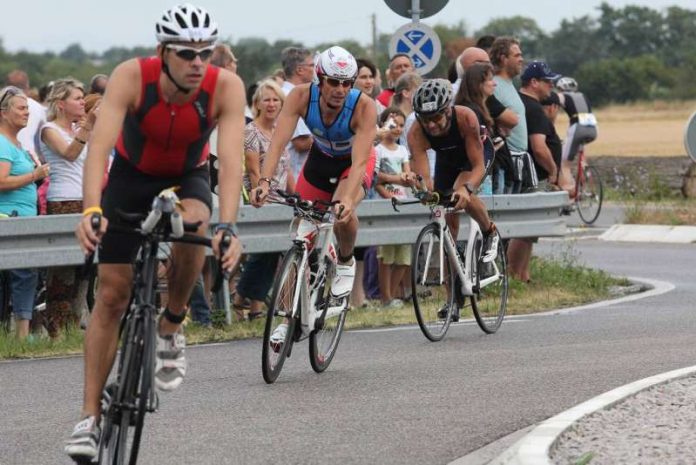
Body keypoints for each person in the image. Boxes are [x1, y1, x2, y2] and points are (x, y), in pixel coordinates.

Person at [66, 4, 245, 462]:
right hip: (131, 176)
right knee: (111, 294)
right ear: (162, 52)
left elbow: (230, 161)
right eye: (187, 53)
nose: (197, 62)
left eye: (205, 52)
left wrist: (229, 225)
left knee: (196, 223)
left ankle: (172, 323)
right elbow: (100, 147)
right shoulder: (132, 75)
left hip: (188, 174)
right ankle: (89, 416)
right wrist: (90, 209)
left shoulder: (225, 86)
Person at [252, 45, 377, 343]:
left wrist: (347, 198)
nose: (340, 89)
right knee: (300, 236)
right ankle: (285, 319)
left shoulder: (363, 106)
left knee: (342, 211)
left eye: (347, 83)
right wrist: (264, 181)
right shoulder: (300, 96)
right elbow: (278, 143)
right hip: (320, 161)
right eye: (333, 82)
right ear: (319, 79)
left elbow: (360, 161)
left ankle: (345, 260)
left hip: (354, 163)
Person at [407, 79, 499, 318]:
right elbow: (424, 176)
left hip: (476, 155)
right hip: (448, 160)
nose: (432, 124)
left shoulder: (465, 117)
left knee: (461, 193)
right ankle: (453, 299)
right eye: (426, 119)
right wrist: (425, 192)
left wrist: (466, 190)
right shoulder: (416, 132)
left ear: (447, 110)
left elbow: (477, 165)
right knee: (446, 227)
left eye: (437, 117)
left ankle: (489, 231)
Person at [39, 78, 97, 337]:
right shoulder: (49, 130)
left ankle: (73, 325)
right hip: (63, 201)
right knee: (62, 270)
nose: (83, 101)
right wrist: (88, 128)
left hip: (85, 200)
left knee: (83, 267)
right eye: (77, 98)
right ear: (61, 104)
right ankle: (56, 328)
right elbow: (70, 154)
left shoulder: (78, 129)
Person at [232, 80, 294, 320]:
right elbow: (253, 170)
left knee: (270, 254)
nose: (271, 104)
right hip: (260, 199)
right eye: (266, 99)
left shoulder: (279, 130)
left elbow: (286, 168)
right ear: (256, 104)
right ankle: (246, 302)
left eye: (275, 99)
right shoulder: (250, 131)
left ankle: (246, 302)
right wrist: (263, 197)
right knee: (262, 254)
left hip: (280, 200)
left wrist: (295, 194)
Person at [0, 86, 50, 338]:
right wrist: (34, 175)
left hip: (22, 217)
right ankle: (20, 335)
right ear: (3, 113)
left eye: (28, 109)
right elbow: (0, 181)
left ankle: (19, 334)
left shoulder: (16, 144)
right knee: (22, 276)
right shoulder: (2, 143)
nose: (26, 113)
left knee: (24, 277)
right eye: (21, 108)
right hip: (10, 218)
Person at [374, 108, 415, 307]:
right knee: (386, 255)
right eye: (392, 125)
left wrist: (407, 178)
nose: (397, 129)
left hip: (403, 203)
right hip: (386, 204)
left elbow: (407, 175)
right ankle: (386, 297)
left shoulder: (402, 150)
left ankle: (390, 295)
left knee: (404, 256)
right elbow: (376, 178)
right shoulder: (378, 150)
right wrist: (390, 193)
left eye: (400, 125)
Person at [519, 61, 562, 189]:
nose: (551, 85)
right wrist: (553, 170)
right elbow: (539, 148)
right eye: (547, 81)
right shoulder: (535, 109)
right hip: (537, 178)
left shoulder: (519, 101)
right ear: (534, 82)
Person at [555, 76, 598, 195]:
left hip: (577, 128)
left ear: (561, 88)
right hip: (593, 128)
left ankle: (572, 193)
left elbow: (553, 107)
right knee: (581, 156)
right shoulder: (583, 95)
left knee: (564, 163)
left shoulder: (562, 96)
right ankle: (589, 186)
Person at [280, 47, 314, 178]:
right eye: (311, 65)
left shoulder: (283, 93)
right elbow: (301, 142)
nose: (315, 69)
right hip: (295, 177)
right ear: (300, 69)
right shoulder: (293, 97)